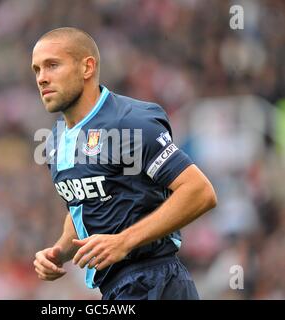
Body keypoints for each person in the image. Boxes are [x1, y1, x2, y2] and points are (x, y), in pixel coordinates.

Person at [31, 27, 217, 300]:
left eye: (52, 65)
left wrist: (124, 241)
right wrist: (58, 252)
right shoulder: (55, 141)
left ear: (87, 67)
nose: (42, 78)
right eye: (36, 70)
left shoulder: (129, 122)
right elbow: (84, 206)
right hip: (116, 288)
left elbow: (200, 191)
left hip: (156, 280)